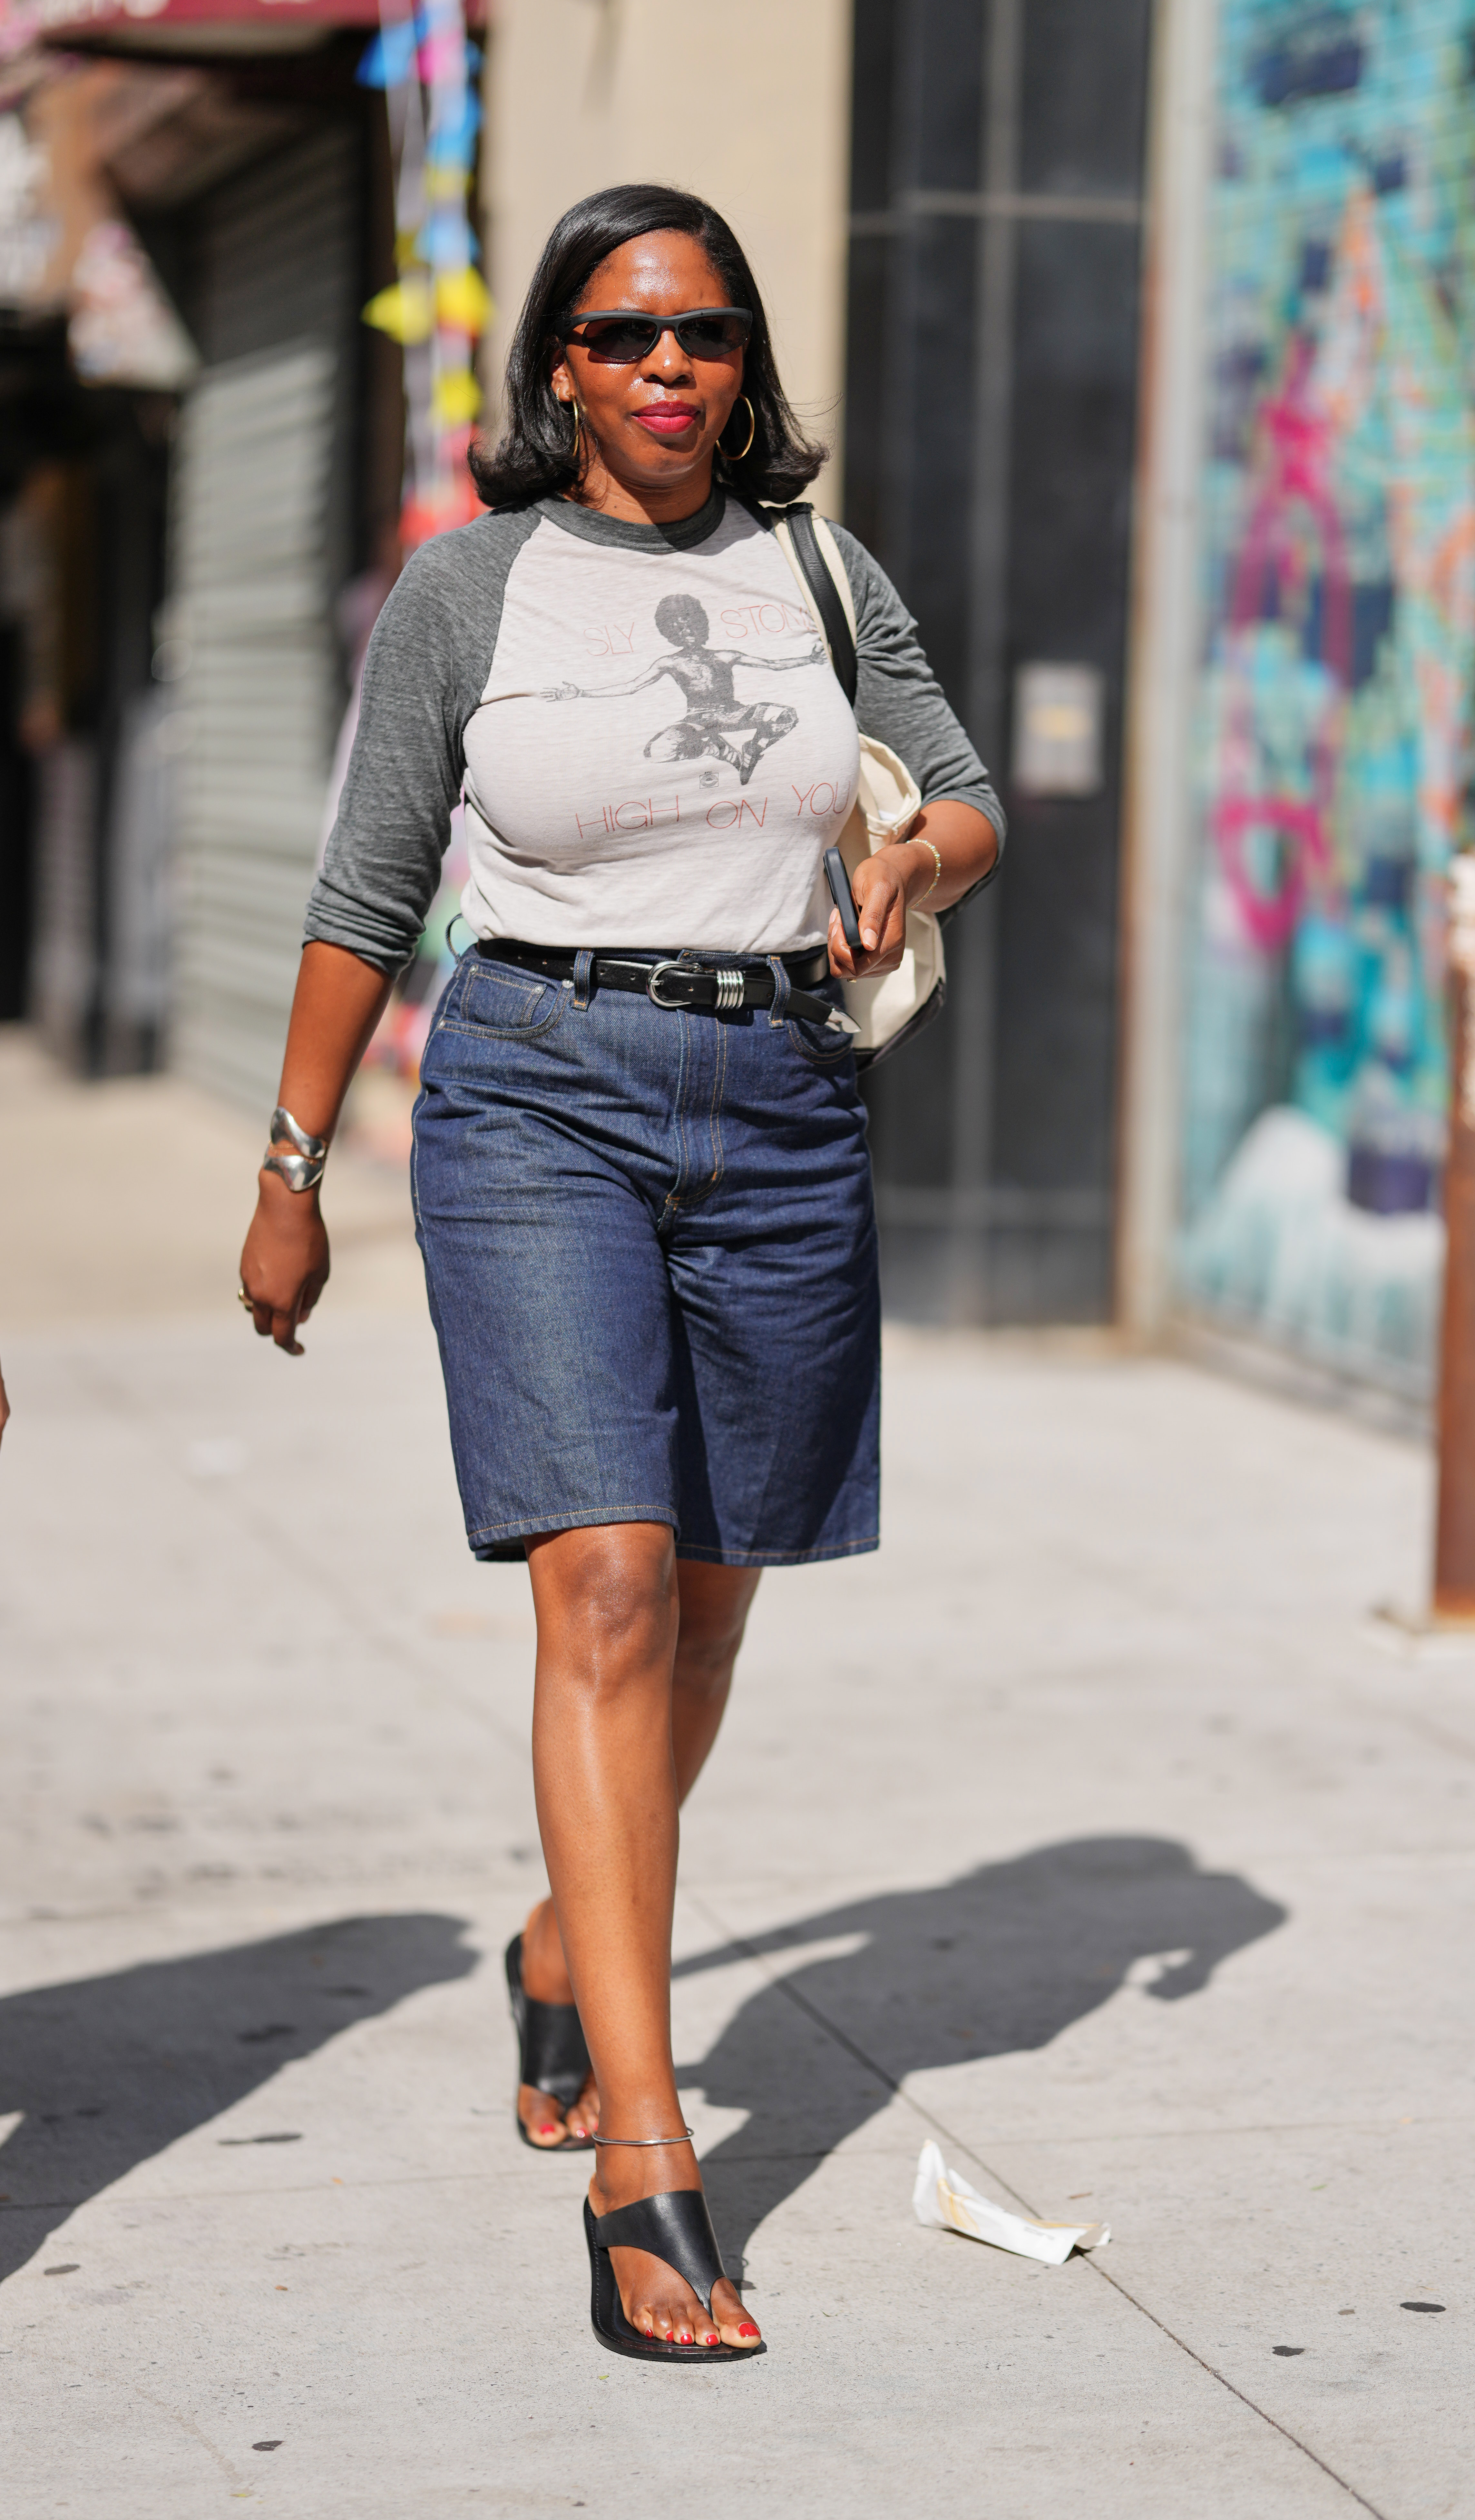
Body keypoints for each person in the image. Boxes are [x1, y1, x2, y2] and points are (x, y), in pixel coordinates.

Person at [237, 183, 1001, 2364]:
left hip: (780, 1100)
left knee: (721, 1583)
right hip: (536, 1096)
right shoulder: (469, 590)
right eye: (628, 332)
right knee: (607, 1580)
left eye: (708, 335)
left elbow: (956, 797)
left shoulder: (820, 576)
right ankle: (650, 2163)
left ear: (745, 366)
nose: (672, 368)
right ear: (557, 365)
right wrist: (291, 1164)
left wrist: (911, 850)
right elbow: (367, 889)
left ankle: (568, 1942)